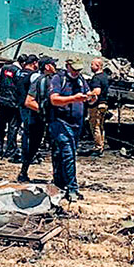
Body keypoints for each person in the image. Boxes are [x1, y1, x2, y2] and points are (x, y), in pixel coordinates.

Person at [48, 58, 93, 201]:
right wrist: (73, 99)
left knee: (60, 154)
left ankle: (59, 184)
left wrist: (91, 98)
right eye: (74, 69)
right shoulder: (58, 79)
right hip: (60, 122)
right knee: (68, 154)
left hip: (76, 124)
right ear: (67, 66)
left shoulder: (80, 79)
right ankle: (72, 188)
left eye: (79, 70)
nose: (76, 72)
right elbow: (54, 99)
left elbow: (88, 95)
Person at [21, 56, 56, 182]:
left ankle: (56, 177)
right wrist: (44, 111)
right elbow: (28, 101)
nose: (55, 67)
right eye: (53, 64)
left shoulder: (56, 80)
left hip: (50, 120)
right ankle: (23, 172)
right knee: (33, 146)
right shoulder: (39, 80)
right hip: (37, 119)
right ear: (47, 66)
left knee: (56, 148)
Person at [0, 55, 24, 159]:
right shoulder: (19, 72)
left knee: (0, 126)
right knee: (13, 127)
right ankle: (10, 151)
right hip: (13, 103)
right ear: (23, 63)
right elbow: (20, 86)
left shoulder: (4, 68)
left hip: (2, 101)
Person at [12, 54, 38, 164]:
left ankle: (20, 152)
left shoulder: (18, 72)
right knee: (29, 131)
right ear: (34, 63)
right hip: (29, 105)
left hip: (19, 103)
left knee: (18, 129)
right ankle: (27, 155)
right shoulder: (33, 75)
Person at [87, 57, 111, 156]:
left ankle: (98, 147)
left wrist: (88, 95)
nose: (91, 66)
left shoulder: (96, 78)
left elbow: (97, 91)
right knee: (101, 126)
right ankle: (101, 145)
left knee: (95, 126)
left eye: (92, 64)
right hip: (104, 104)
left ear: (97, 66)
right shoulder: (105, 76)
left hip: (96, 105)